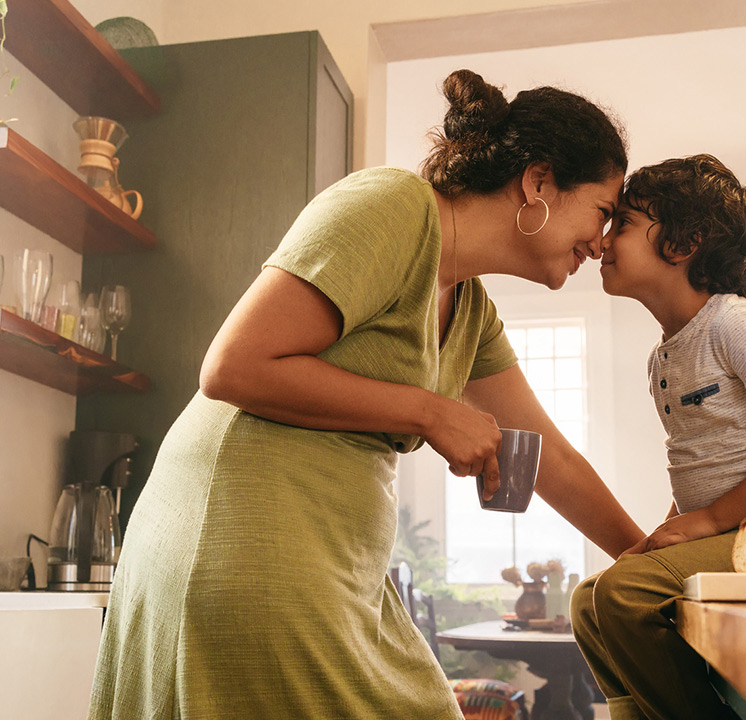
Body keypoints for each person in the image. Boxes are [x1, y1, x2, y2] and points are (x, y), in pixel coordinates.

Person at [89, 69, 645, 719]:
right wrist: (431, 411)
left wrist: (646, 559)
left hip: (336, 563)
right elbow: (232, 366)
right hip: (240, 538)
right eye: (603, 212)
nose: (603, 242)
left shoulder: (470, 310)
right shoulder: (394, 207)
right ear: (539, 181)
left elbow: (549, 454)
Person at [571, 155, 746, 720]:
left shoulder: (734, 324)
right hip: (735, 527)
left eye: (620, 223)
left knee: (624, 593)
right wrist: (674, 526)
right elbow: (701, 460)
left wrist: (710, 520)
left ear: (684, 242)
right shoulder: (664, 356)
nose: (599, 243)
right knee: (588, 601)